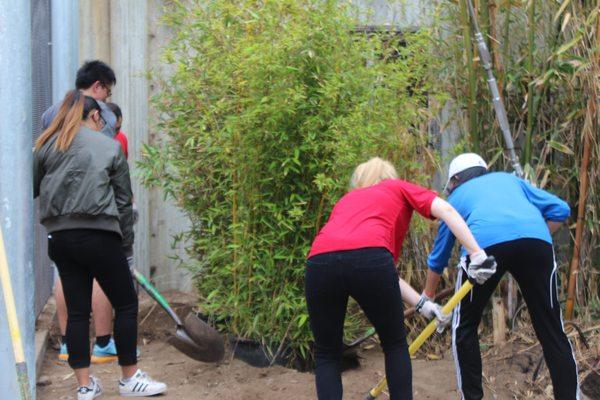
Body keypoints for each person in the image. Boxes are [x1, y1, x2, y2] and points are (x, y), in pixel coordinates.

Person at [305, 157, 496, 400]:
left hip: (319, 262)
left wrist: (422, 304)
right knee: (394, 345)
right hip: (370, 259)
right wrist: (477, 254)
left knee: (327, 355)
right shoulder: (398, 187)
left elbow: (382, 273)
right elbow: (446, 209)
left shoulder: (346, 201)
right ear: (389, 177)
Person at [33, 90, 167, 398]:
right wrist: (127, 249)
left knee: (78, 312)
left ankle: (84, 386)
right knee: (126, 303)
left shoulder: (45, 147)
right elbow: (123, 203)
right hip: (100, 237)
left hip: (61, 239)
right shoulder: (109, 147)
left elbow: (33, 187)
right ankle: (130, 379)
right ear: (94, 117)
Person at [424, 153, 579, 400]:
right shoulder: (511, 180)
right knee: (551, 327)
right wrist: (528, 238)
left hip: (483, 248)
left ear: (455, 179)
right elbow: (560, 210)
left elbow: (438, 257)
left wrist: (427, 297)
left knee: (464, 327)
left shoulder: (454, 199)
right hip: (536, 243)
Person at [41, 60, 120, 363]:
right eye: (106, 91)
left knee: (66, 273)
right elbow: (108, 160)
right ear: (98, 86)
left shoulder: (52, 113)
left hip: (59, 207)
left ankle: (66, 344)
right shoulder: (104, 115)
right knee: (101, 272)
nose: (106, 98)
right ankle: (102, 342)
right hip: (95, 207)